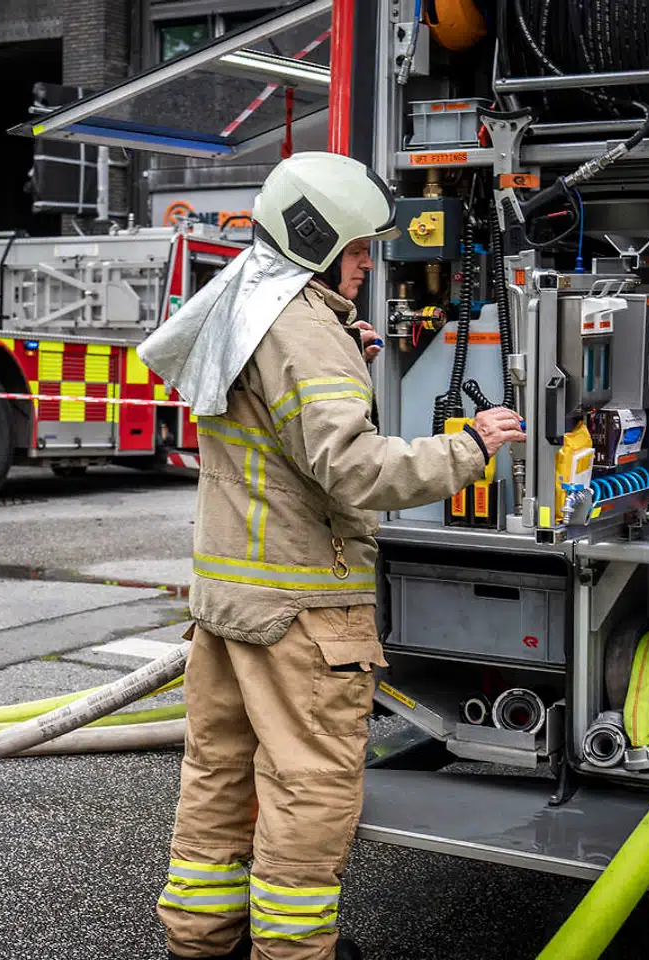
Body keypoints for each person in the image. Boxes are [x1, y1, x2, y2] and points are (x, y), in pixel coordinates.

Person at [138, 151, 525, 960]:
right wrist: (470, 447)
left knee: (217, 778)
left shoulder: (248, 302)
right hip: (303, 613)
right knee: (308, 792)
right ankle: (291, 954)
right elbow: (353, 466)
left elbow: (269, 429)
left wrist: (345, 347)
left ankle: (200, 942)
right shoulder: (307, 329)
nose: (363, 268)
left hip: (228, 605)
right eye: (354, 252)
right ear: (314, 241)